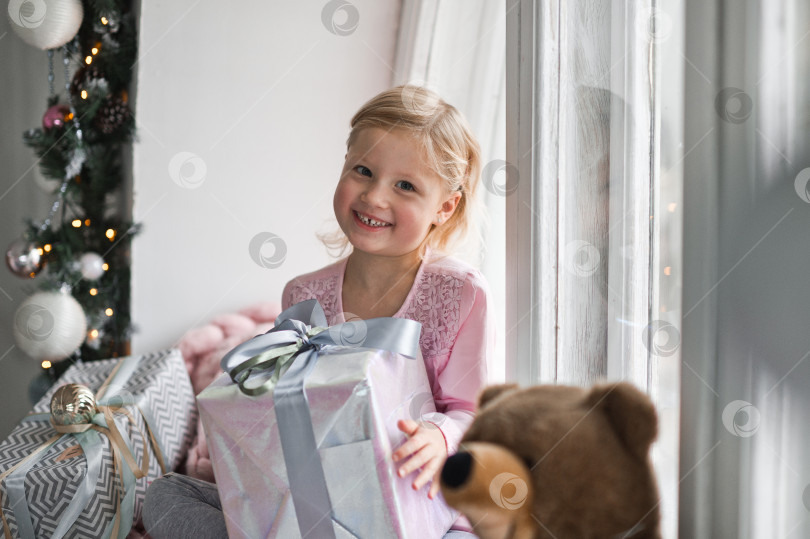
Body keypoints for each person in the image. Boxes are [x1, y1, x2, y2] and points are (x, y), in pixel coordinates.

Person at [143, 85, 493, 538]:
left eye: (405, 186)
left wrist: (440, 438)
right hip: (313, 502)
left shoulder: (460, 293)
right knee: (164, 497)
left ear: (444, 208)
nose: (375, 197)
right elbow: (281, 406)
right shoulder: (304, 295)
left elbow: (477, 414)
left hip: (419, 506)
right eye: (363, 171)